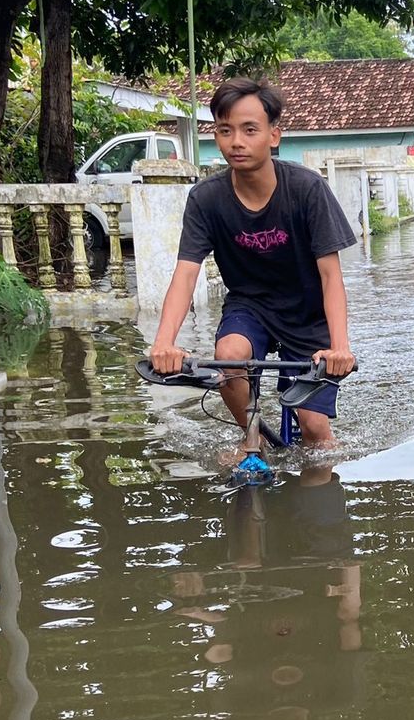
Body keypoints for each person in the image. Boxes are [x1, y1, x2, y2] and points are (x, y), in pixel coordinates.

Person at [150, 77, 357, 448]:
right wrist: (164, 344)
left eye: (249, 130)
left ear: (273, 136)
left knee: (314, 430)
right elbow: (185, 274)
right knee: (228, 355)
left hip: (307, 313)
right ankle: (251, 438)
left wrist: (339, 348)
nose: (236, 142)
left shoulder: (307, 189)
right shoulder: (205, 199)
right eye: (225, 130)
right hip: (250, 306)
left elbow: (331, 276)